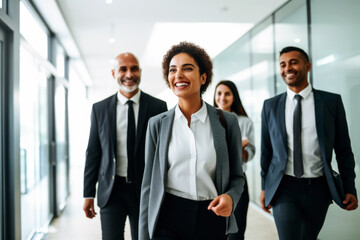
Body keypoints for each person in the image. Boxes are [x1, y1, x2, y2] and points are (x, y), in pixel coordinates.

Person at [139, 42, 245, 240]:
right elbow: (149, 185)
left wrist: (231, 197)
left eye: (187, 68)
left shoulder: (226, 122)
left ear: (203, 77)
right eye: (173, 70)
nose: (178, 75)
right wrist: (144, 234)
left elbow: (238, 177)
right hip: (167, 215)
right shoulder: (157, 124)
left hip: (210, 215)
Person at [260, 46, 358, 240]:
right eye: (282, 64)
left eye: (293, 62)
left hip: (318, 189)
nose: (287, 68)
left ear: (308, 66)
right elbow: (266, 151)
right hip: (284, 187)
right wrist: (265, 186)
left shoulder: (331, 102)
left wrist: (350, 188)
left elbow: (343, 149)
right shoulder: (270, 106)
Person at [83, 52, 167, 240]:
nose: (129, 74)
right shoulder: (100, 109)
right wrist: (88, 192)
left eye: (134, 68)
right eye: (123, 69)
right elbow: (93, 152)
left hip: (145, 190)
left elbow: (164, 154)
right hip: (111, 191)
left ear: (140, 72)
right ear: (114, 73)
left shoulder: (158, 107)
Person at [214, 80, 255, 240]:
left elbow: (250, 153)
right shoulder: (207, 119)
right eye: (219, 93)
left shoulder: (245, 122)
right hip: (213, 181)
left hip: (237, 180)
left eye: (227, 93)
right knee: (215, 230)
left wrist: (239, 150)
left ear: (234, 97)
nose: (222, 97)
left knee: (236, 232)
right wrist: (237, 145)